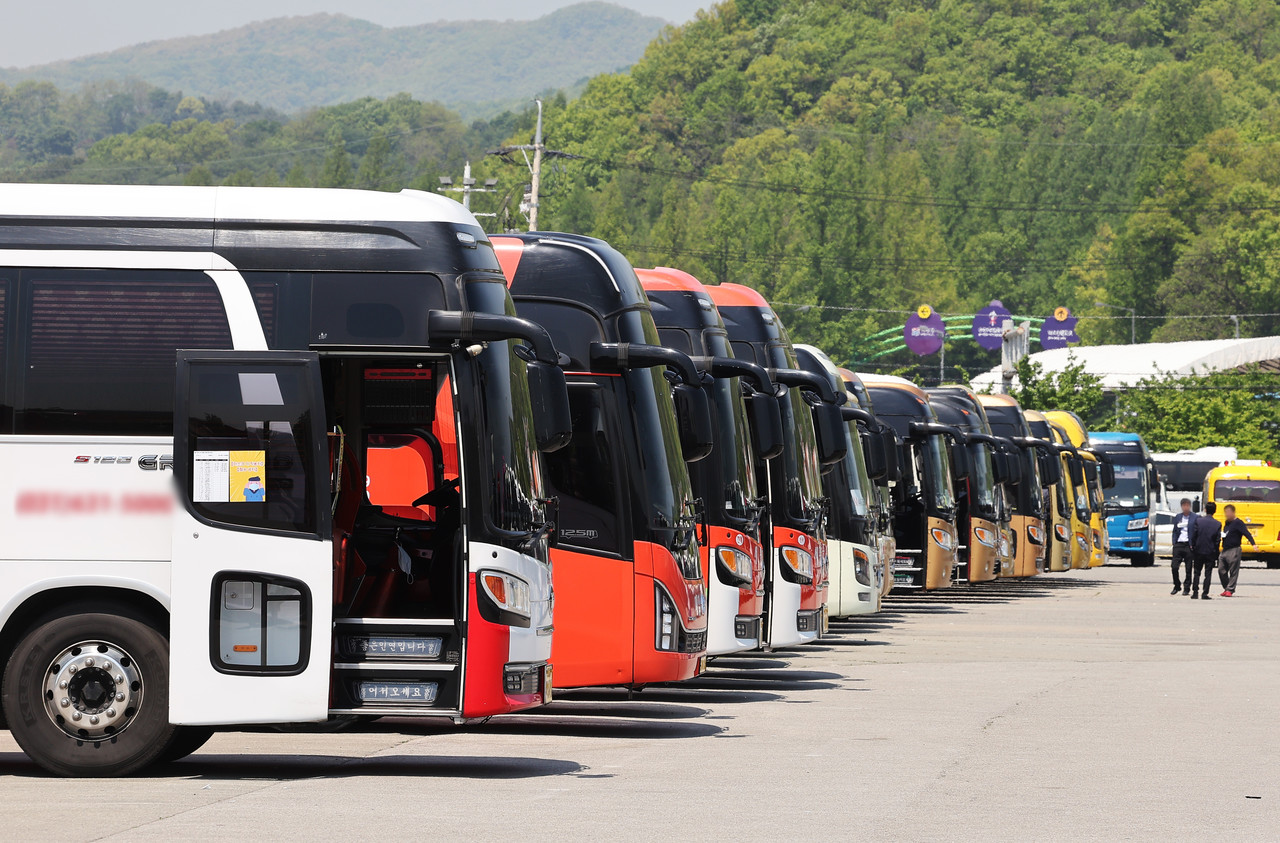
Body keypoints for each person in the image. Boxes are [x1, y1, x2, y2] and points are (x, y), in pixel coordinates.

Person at [1218, 504, 1257, 597]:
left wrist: (1253, 544)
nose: (1227, 515)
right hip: (1225, 549)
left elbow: (1246, 533)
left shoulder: (1239, 523)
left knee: (1233, 571)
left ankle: (1230, 589)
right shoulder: (1227, 522)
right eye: (1225, 513)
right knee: (1221, 570)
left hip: (1234, 549)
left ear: (1233, 512)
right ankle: (1227, 587)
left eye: (1228, 512)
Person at [1188, 501, 1221, 600]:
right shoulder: (1217, 524)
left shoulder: (1198, 521)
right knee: (1208, 573)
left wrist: (1193, 546)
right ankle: (1205, 593)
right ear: (1215, 511)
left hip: (1198, 550)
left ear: (1205, 510)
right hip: (1210, 551)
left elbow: (1194, 535)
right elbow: (1217, 540)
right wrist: (1216, 552)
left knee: (1197, 572)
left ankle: (1195, 592)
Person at [1170, 498, 1195, 595]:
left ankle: (1187, 587)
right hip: (1179, 544)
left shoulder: (1194, 517)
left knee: (1188, 568)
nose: (1186, 507)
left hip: (1188, 545)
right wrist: (1174, 542)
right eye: (1184, 505)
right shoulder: (1178, 517)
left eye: (1187, 505)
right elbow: (1175, 530)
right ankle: (1177, 585)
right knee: (1174, 567)